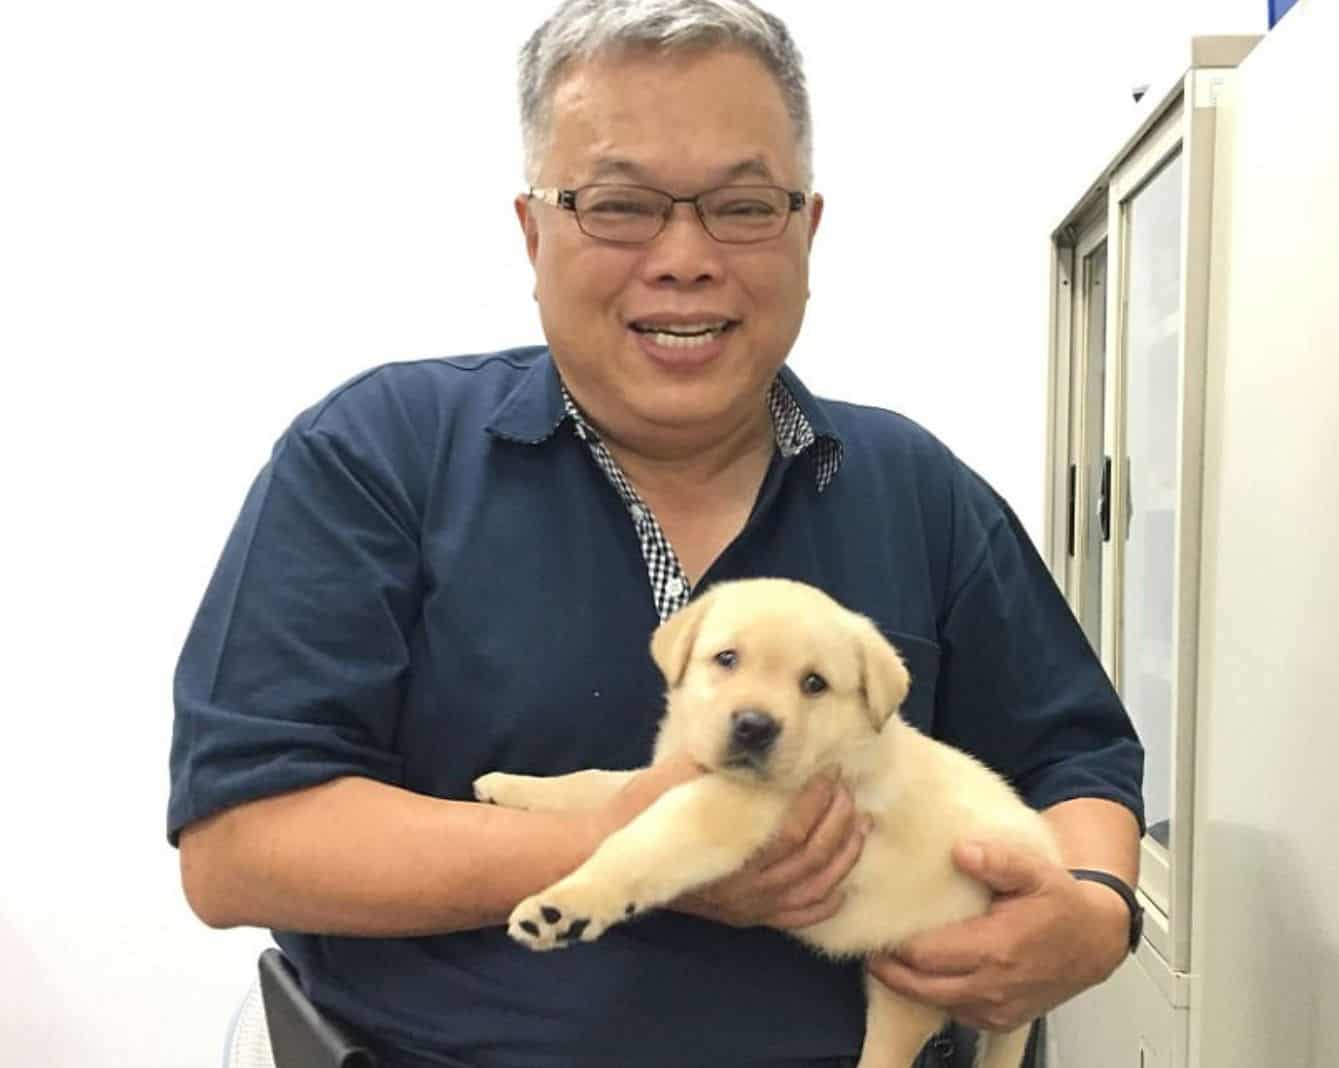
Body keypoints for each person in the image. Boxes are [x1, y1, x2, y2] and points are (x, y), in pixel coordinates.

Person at [168, 2, 1145, 1066]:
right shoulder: (378, 456)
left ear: (806, 230)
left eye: (740, 206)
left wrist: (1093, 912)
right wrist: (646, 842)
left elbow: (1071, 754)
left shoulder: (917, 490)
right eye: (620, 205)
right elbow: (242, 846)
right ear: (533, 231)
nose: (683, 258)